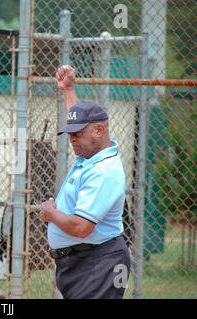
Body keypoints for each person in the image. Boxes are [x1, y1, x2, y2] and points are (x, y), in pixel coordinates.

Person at [39, 65, 131, 299]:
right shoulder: (91, 154)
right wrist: (68, 89)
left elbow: (81, 227)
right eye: (70, 134)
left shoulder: (103, 171)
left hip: (98, 264)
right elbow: (79, 121)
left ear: (100, 130)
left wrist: (50, 213)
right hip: (85, 262)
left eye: (77, 134)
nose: (72, 139)